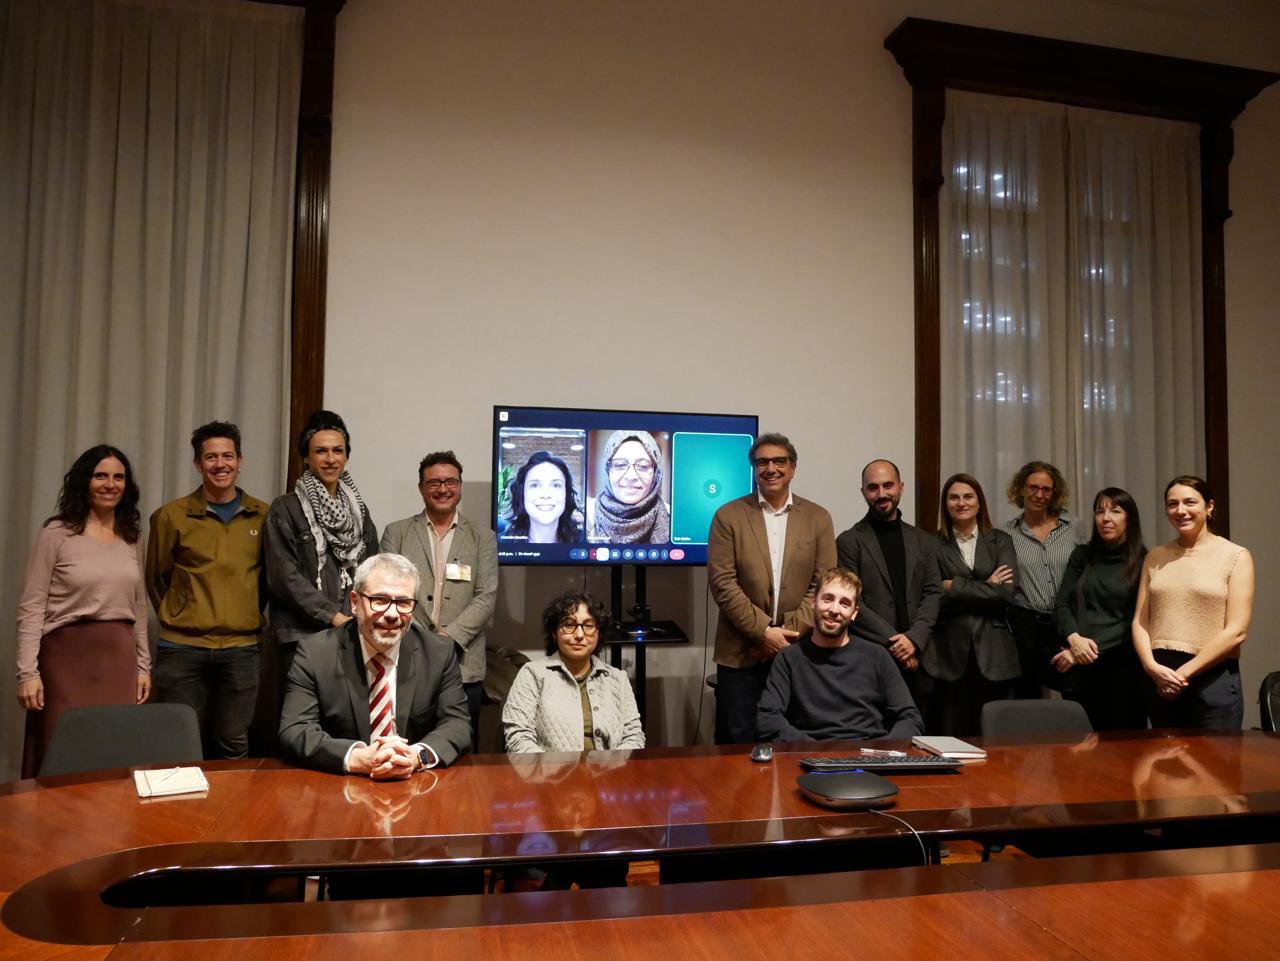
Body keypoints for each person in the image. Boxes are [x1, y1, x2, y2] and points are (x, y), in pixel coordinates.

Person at [16, 446, 151, 778]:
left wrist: (143, 666)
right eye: (100, 476)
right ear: (84, 481)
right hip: (65, 662)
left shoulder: (131, 536)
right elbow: (32, 606)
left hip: (118, 661)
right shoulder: (56, 533)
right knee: (63, 752)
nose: (110, 484)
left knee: (113, 751)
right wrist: (27, 673)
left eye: (118, 477)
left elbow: (138, 605)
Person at [278, 552, 472, 775]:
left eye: (403, 602)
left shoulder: (438, 653)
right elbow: (295, 729)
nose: (392, 614)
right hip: (340, 786)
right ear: (354, 602)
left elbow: (457, 724)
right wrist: (357, 758)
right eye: (380, 600)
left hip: (416, 782)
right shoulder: (315, 653)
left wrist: (417, 757)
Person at [146, 422, 268, 760]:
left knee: (234, 742)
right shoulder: (170, 516)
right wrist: (183, 613)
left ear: (240, 461)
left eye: (228, 456)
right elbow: (156, 578)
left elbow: (269, 579)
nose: (220, 464)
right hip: (182, 648)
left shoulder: (263, 515)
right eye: (211, 457)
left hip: (242, 648)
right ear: (198, 464)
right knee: (176, 742)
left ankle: (232, 798)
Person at [707, 433, 836, 744]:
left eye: (779, 461)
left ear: (793, 468)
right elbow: (723, 583)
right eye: (762, 462)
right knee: (737, 747)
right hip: (741, 654)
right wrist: (764, 632)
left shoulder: (818, 518)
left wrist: (784, 636)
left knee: (794, 745)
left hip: (799, 652)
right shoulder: (728, 516)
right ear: (754, 469)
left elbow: (823, 583)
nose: (771, 468)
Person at [264, 410, 379, 707]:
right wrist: (332, 616)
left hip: (351, 633)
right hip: (300, 636)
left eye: (337, 451)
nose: (330, 459)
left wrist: (354, 619)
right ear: (306, 458)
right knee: (299, 719)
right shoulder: (285, 508)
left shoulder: (359, 511)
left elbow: (371, 570)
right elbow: (283, 577)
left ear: (346, 457)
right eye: (321, 451)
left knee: (345, 717)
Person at [380, 450, 498, 739]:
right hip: (407, 658)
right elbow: (387, 593)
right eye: (434, 483)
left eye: (450, 482)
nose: (442, 489)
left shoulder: (483, 537)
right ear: (421, 488)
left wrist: (448, 639)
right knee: (406, 744)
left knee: (461, 745)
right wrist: (421, 640)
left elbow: (486, 596)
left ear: (460, 486)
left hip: (463, 665)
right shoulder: (396, 533)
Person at [1132, 476, 1254, 730]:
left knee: (1217, 755)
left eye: (1190, 502)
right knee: (1165, 754)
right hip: (1161, 677)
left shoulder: (1235, 556)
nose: (1181, 510)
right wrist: (1151, 667)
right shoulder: (1155, 556)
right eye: (1172, 504)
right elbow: (1140, 621)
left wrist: (1184, 673)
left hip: (1213, 677)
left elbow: (1237, 631)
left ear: (1209, 507)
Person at [756, 568, 923, 742]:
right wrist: (815, 751)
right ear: (813, 602)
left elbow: (910, 719)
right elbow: (767, 720)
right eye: (828, 599)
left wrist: (882, 751)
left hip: (868, 753)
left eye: (844, 603)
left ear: (854, 613)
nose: (834, 609)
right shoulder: (789, 658)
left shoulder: (877, 656)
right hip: (807, 753)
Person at [836, 459, 942, 716]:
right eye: (873, 487)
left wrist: (914, 640)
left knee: (921, 733)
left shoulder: (924, 540)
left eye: (888, 485)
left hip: (922, 659)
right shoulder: (849, 541)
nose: (881, 494)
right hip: (873, 659)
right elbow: (852, 600)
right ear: (863, 492)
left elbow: (933, 593)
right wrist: (898, 644)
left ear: (900, 487)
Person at [928, 473, 1019, 737]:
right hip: (947, 653)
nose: (961, 503)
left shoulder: (1001, 541)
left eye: (968, 496)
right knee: (950, 735)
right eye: (954, 497)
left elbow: (1006, 595)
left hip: (995, 652)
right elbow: (933, 598)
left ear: (979, 503)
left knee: (996, 737)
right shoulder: (931, 544)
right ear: (945, 504)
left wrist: (952, 586)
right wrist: (986, 586)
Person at [1050, 487, 1149, 731]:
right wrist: (1074, 639)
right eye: (1099, 511)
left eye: (1115, 511)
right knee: (1080, 746)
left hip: (1122, 667)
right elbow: (1062, 604)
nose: (1106, 518)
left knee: (1123, 746)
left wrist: (1082, 651)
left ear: (1129, 518)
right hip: (1080, 669)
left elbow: (1137, 619)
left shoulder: (1143, 560)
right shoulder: (1082, 555)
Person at [502, 591, 645, 753]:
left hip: (610, 768)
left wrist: (614, 764)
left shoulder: (618, 679)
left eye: (589, 626)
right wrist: (550, 766)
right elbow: (518, 737)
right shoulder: (532, 674)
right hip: (548, 768)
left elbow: (634, 736)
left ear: (598, 633)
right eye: (569, 625)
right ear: (554, 633)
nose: (579, 635)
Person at [1002, 460, 1088, 699]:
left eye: (1046, 489)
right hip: (1026, 625)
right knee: (1027, 698)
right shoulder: (1006, 533)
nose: (1039, 495)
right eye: (1033, 487)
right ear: (1021, 489)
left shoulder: (1073, 526)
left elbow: (1085, 572)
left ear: (1054, 493)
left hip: (1067, 622)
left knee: (1075, 690)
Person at [586, 430, 671, 544]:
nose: (631, 476)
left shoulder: (674, 519)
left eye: (643, 466)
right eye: (620, 465)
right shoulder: (585, 516)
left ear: (656, 472)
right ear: (607, 470)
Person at [501, 450, 582, 544]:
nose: (545, 495)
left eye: (556, 485)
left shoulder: (584, 541)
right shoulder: (498, 543)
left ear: (566, 494)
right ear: (522, 493)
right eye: (534, 485)